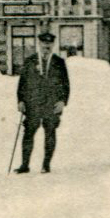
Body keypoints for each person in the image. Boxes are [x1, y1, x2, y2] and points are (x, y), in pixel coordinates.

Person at [16, 30, 70, 174]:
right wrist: (21, 100)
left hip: (51, 104)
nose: (47, 46)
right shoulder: (30, 61)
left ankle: (46, 164)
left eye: (49, 43)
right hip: (32, 103)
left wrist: (62, 101)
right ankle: (24, 165)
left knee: (50, 133)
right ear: (39, 44)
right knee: (28, 133)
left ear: (53, 45)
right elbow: (22, 83)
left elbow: (65, 84)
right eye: (44, 43)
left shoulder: (59, 62)